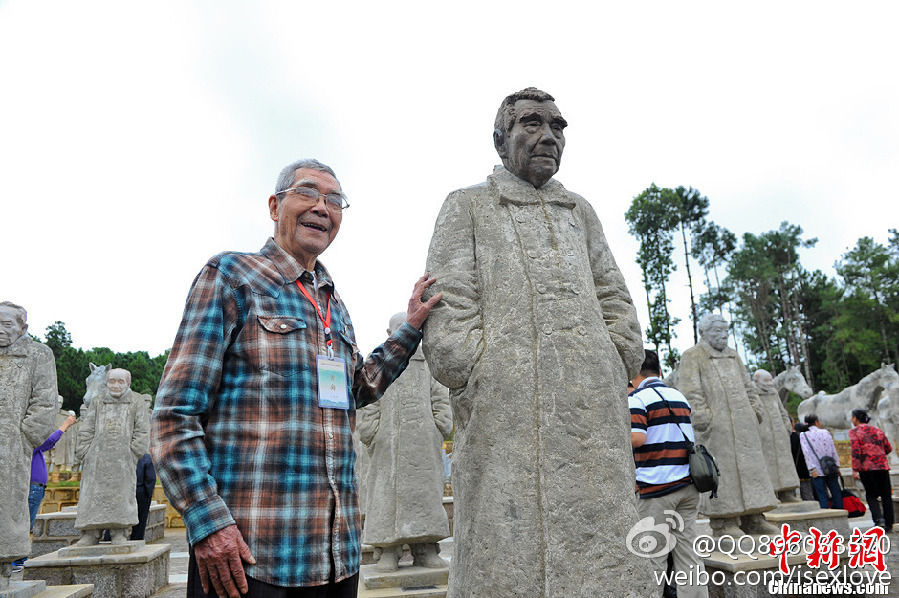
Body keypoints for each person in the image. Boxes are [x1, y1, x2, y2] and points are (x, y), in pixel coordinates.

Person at [151, 158, 441, 598]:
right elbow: (174, 415)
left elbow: (357, 388)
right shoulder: (231, 277)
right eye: (308, 193)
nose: (322, 207)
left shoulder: (332, 302)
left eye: (334, 200)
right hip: (250, 557)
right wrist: (208, 523)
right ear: (274, 206)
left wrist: (411, 328)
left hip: (335, 558)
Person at [423, 88, 650, 597]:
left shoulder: (579, 211)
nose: (549, 135)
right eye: (532, 123)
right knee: (506, 557)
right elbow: (450, 298)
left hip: (592, 413)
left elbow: (614, 293)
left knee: (603, 554)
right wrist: (478, 371)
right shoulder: (468, 206)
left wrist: (615, 359)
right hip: (504, 416)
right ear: (501, 140)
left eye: (558, 126)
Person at [357, 312, 453, 572]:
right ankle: (388, 549)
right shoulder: (379, 361)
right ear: (390, 334)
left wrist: (439, 427)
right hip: (387, 445)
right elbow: (368, 399)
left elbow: (441, 399)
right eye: (398, 329)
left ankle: (425, 547)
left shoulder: (429, 364)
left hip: (424, 443)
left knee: (425, 495)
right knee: (385, 496)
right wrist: (372, 432)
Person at [677, 313, 778, 537]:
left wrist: (755, 410)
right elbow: (690, 391)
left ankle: (755, 517)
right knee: (723, 475)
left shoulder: (734, 356)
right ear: (704, 332)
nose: (723, 336)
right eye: (717, 331)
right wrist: (705, 418)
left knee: (753, 472)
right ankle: (724, 522)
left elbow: (748, 386)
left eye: (726, 331)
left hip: (745, 427)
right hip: (716, 430)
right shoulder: (693, 356)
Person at [629, 350, 709, 598]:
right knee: (688, 553)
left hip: (656, 489)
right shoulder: (679, 397)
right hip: (688, 486)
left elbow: (638, 438)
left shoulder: (638, 398)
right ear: (659, 371)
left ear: (634, 374)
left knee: (652, 555)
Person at [0, 301, 58, 585]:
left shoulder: (38, 355)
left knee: (8, 505)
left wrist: (23, 439)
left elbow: (45, 403)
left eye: (7, 324)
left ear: (23, 327)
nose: (0, 330)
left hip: (12, 448)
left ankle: (4, 565)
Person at [75, 367, 150, 545]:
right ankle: (90, 533)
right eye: (112, 381)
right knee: (91, 495)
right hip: (96, 460)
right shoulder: (98, 401)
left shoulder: (137, 401)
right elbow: (87, 428)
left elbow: (142, 430)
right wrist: (84, 451)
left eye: (120, 381)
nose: (115, 385)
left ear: (128, 383)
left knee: (122, 495)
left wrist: (133, 453)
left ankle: (120, 532)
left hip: (123, 460)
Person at [849, 408, 893, 530]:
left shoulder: (855, 432)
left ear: (856, 419)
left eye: (852, 417)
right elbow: (888, 448)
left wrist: (855, 469)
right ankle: (889, 522)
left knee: (871, 495)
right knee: (886, 495)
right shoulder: (877, 430)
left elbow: (856, 451)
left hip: (867, 468)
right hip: (882, 467)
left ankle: (879, 520)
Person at [799, 414, 843, 510]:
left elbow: (806, 453)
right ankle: (840, 512)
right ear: (816, 422)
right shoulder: (825, 432)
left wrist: (811, 468)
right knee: (836, 492)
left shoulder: (804, 435)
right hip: (830, 467)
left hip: (816, 470)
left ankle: (826, 513)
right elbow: (833, 449)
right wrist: (837, 465)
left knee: (822, 494)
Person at [790, 421, 817, 502]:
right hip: (807, 470)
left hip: (795, 470)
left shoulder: (791, 437)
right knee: (808, 494)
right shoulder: (807, 438)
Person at [132, 453, 156, 540]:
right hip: (141, 492)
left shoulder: (123, 455)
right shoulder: (145, 457)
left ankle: (109, 538)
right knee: (140, 519)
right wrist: (149, 495)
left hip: (125, 491)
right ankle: (136, 540)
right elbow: (150, 477)